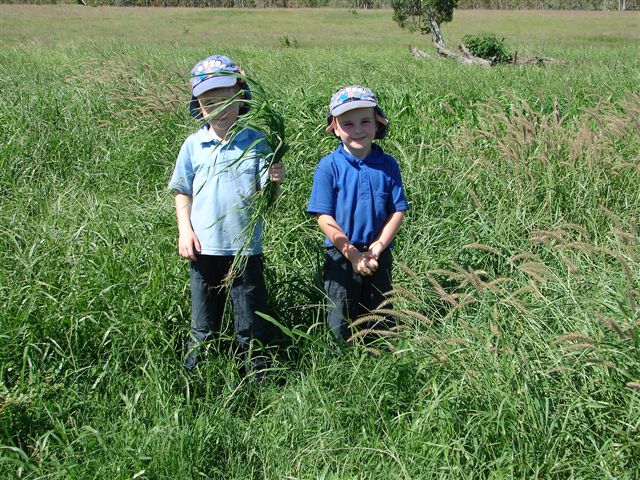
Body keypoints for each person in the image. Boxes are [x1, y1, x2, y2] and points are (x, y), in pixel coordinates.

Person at [169, 55, 285, 372]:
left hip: (245, 249)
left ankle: (258, 380)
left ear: (242, 98)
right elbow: (183, 191)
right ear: (199, 107)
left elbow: (267, 201)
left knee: (250, 324)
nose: (219, 110)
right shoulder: (194, 145)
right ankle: (196, 380)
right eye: (210, 103)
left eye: (227, 100)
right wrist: (185, 231)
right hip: (204, 249)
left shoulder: (257, 142)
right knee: (203, 323)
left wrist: (275, 182)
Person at [307, 85, 409, 343]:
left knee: (380, 315)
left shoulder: (388, 165)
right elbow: (324, 216)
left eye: (365, 121)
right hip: (340, 255)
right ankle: (338, 366)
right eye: (348, 124)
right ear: (335, 127)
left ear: (378, 123)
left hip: (378, 253)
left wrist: (377, 248)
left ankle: (379, 362)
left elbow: (397, 211)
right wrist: (351, 253)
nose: (358, 130)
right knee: (339, 317)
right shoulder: (329, 166)